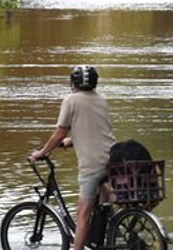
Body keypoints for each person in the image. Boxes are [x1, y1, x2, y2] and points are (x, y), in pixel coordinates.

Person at [30, 65, 115, 250]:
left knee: (82, 215)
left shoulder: (71, 100)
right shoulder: (101, 100)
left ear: (73, 83)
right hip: (112, 159)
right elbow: (95, 131)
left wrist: (42, 152)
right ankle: (103, 239)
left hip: (92, 165)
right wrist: (73, 140)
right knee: (103, 206)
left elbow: (59, 133)